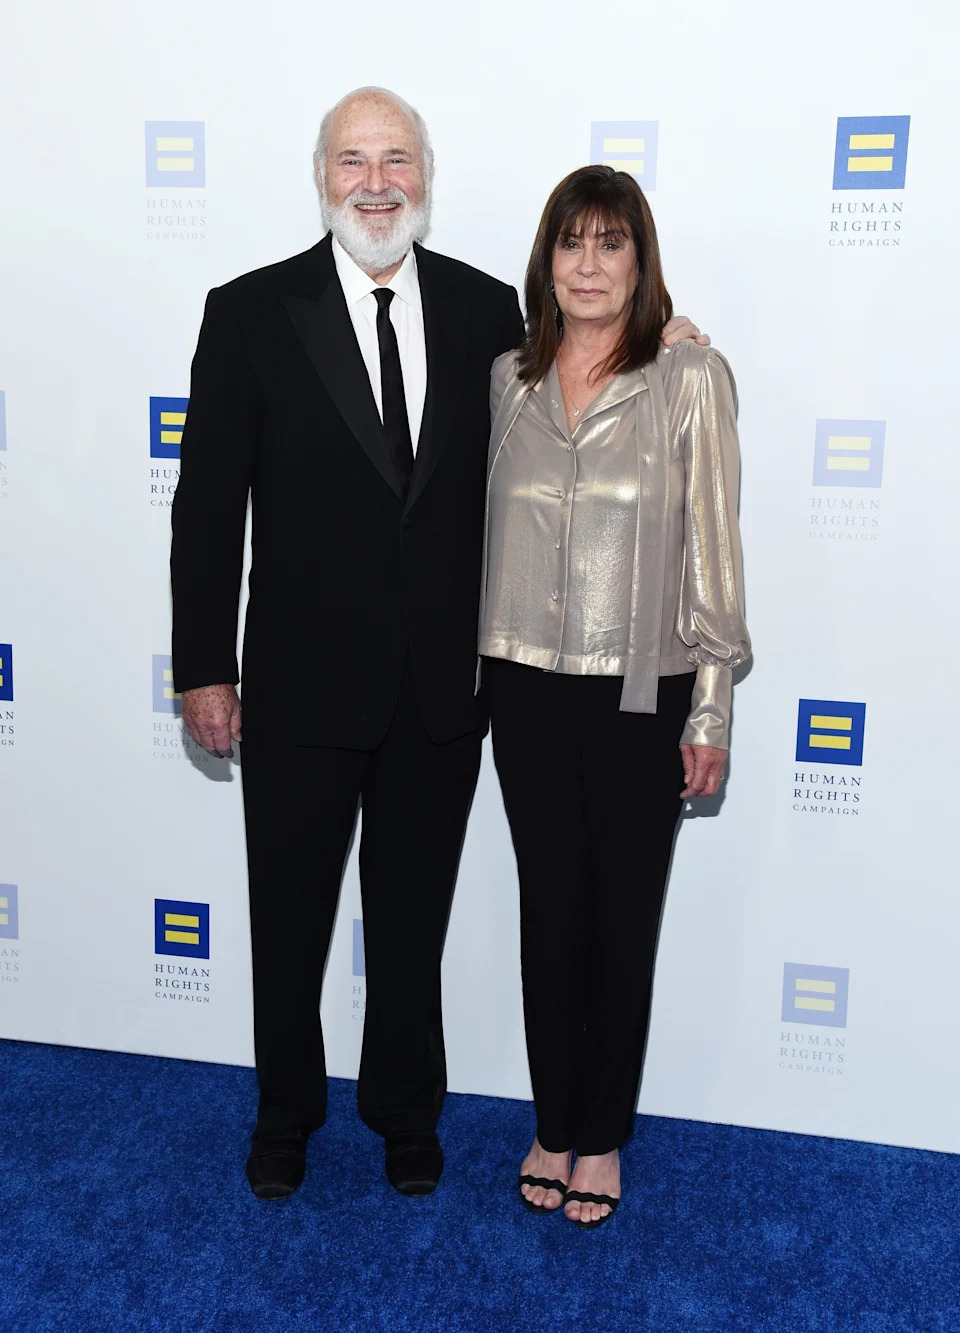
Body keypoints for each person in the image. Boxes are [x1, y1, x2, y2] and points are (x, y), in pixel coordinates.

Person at [171, 89, 705, 1202]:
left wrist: (677, 335)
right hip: (298, 689)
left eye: (397, 159)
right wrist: (203, 666)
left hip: (442, 694)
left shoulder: (483, 317)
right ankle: (286, 1112)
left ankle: (406, 1113)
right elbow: (209, 507)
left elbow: (590, 359)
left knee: (411, 928)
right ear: (323, 178)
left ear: (426, 175)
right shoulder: (249, 311)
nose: (378, 182)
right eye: (355, 161)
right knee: (289, 920)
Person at [479, 165, 750, 1228]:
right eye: (570, 244)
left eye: (610, 246)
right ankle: (553, 1119)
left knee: (620, 919)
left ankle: (602, 1135)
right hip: (524, 687)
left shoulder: (689, 378)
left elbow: (714, 557)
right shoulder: (507, 376)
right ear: (545, 261)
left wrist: (714, 705)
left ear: (640, 263)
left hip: (644, 690)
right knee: (548, 913)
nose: (588, 267)